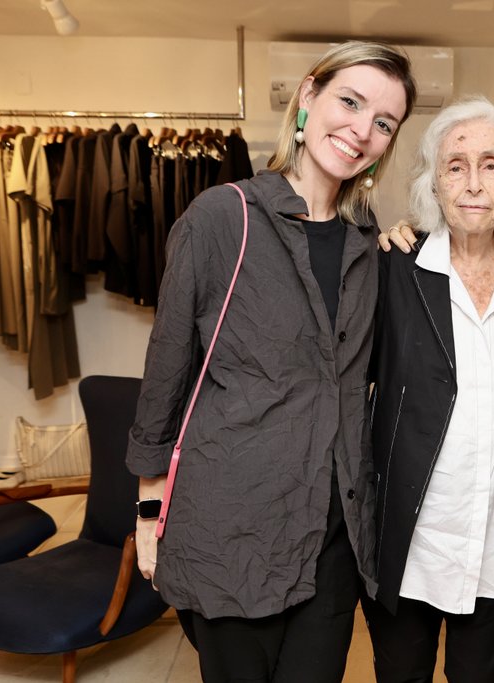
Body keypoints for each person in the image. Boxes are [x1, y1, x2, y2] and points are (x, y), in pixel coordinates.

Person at [125, 41, 416, 683]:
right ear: (308, 95)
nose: (361, 130)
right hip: (235, 523)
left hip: (334, 531)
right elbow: (167, 372)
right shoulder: (222, 218)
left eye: (383, 122)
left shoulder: (369, 243)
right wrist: (148, 512)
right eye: (350, 102)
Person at [363, 96, 494, 683]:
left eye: (490, 165)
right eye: (455, 166)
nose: (472, 183)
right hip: (410, 543)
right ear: (434, 182)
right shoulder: (393, 268)